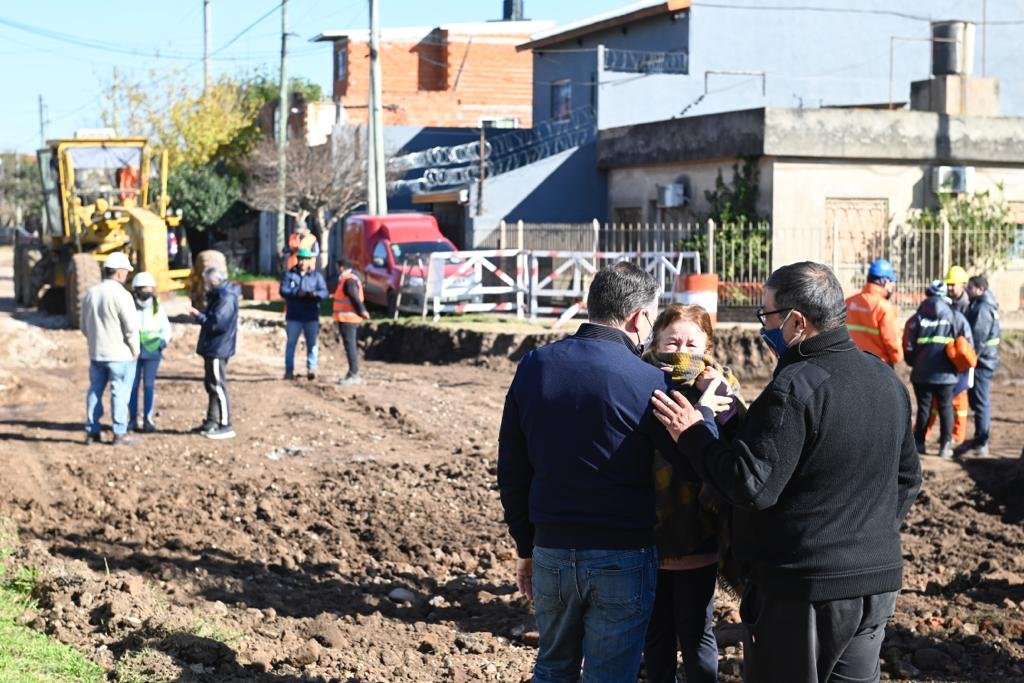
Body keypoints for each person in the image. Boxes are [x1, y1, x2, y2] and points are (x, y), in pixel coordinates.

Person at [649, 261, 922, 683]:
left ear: (796, 322)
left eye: (768, 315)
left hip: (803, 591)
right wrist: (870, 535)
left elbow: (750, 485)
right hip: (877, 583)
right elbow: (908, 479)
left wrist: (693, 434)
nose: (765, 326)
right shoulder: (886, 380)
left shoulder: (794, 387)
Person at [497, 263, 727, 683]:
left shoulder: (534, 366)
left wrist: (525, 546)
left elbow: (512, 466)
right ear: (639, 318)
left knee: (552, 667)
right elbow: (694, 464)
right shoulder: (649, 381)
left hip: (552, 547)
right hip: (623, 553)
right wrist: (706, 412)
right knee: (611, 675)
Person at [640, 303, 745, 683]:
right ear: (655, 341)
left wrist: (713, 406)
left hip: (700, 529)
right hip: (646, 530)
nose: (681, 351)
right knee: (656, 632)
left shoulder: (721, 386)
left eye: (691, 343)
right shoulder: (638, 382)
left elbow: (742, 441)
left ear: (708, 347)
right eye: (672, 342)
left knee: (696, 630)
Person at [906, 280, 974, 459]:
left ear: (927, 295)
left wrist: (914, 362)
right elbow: (968, 344)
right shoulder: (956, 317)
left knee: (924, 408)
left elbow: (908, 347)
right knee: (945, 408)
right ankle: (945, 447)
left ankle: (919, 444)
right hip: (947, 375)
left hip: (921, 374)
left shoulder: (916, 318)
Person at [81, 252, 140, 446]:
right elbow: (130, 327)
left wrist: (95, 341)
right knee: (119, 392)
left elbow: (84, 326)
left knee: (95, 391)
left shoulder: (91, 294)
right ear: (120, 272)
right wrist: (135, 349)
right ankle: (119, 432)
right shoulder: (122, 295)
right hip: (120, 355)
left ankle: (92, 431)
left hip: (96, 353)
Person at [188, 266, 240, 440]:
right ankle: (212, 421)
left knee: (218, 386)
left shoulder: (225, 297)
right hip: (213, 348)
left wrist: (199, 316)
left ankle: (226, 425)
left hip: (218, 348)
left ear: (213, 281)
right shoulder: (219, 295)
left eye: (206, 282)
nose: (205, 285)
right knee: (211, 386)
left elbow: (218, 324)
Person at [959, 275, 1000, 458]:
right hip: (984, 360)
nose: (966, 290)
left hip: (982, 362)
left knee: (980, 402)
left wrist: (969, 359)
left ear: (980, 289)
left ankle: (982, 443)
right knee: (977, 401)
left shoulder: (983, 308)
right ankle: (978, 439)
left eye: (970, 288)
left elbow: (977, 339)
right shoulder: (981, 304)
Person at [127, 271, 172, 432]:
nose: (147, 291)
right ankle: (132, 419)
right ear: (136, 289)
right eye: (143, 288)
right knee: (132, 386)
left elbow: (166, 328)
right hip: (133, 351)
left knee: (148, 385)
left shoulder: (157, 306)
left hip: (152, 351)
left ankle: (148, 419)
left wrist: (162, 342)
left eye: (149, 288)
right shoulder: (129, 305)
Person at [280, 247, 329, 380]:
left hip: (311, 315)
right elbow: (283, 291)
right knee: (291, 343)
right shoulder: (289, 275)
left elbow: (325, 292)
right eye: (301, 259)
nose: (303, 262)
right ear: (298, 260)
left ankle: (311, 368)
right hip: (294, 315)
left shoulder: (316, 276)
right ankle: (289, 370)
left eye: (306, 260)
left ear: (309, 261)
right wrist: (297, 293)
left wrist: (315, 294)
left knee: (312, 344)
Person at [846, 258, 903, 366]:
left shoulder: (848, 302)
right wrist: (896, 357)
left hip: (851, 363)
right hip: (878, 366)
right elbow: (891, 340)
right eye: (891, 282)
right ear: (885, 282)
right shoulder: (883, 307)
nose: (892, 286)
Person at [333, 257, 371, 385]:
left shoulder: (348, 280)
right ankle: (352, 372)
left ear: (341, 267)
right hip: (348, 318)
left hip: (348, 318)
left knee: (350, 346)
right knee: (350, 345)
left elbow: (354, 297)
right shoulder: (352, 278)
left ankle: (354, 373)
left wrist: (362, 310)